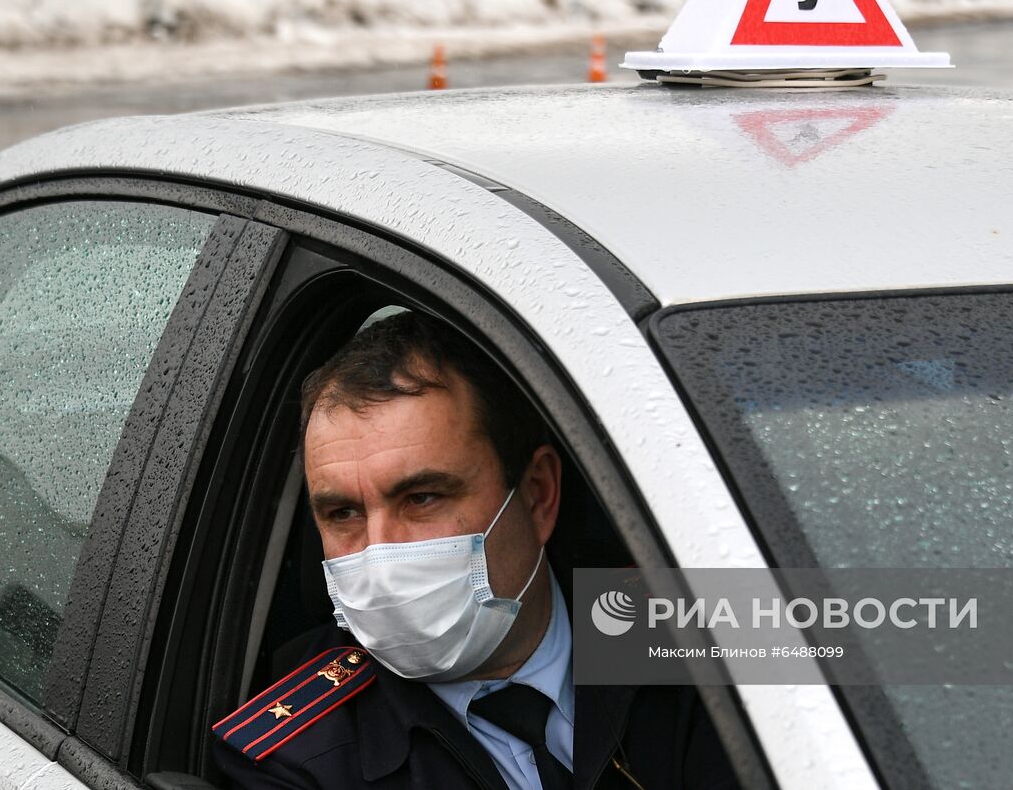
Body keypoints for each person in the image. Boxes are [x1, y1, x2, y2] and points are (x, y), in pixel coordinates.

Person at [213, 310, 738, 789]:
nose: (380, 555)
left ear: (537, 496)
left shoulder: (712, 628)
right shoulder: (292, 758)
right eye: (343, 513)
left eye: (422, 497)